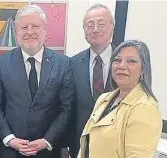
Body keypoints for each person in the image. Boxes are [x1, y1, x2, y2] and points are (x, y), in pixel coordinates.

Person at [0, 4, 74, 158]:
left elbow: (66, 109)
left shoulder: (63, 64)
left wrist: (47, 140)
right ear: (16, 31)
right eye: (24, 27)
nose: (30, 32)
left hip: (48, 151)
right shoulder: (2, 63)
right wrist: (9, 139)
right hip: (11, 151)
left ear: (45, 29)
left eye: (35, 26)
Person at [78, 40, 162, 158]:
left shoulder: (145, 107)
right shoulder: (104, 99)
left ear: (143, 69)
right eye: (117, 60)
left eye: (131, 61)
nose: (122, 66)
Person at [69, 4, 115, 157]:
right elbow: (68, 108)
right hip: (81, 146)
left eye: (101, 24)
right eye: (90, 25)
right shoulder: (72, 63)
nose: (95, 29)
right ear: (84, 32)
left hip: (115, 147)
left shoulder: (126, 62)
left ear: (112, 28)